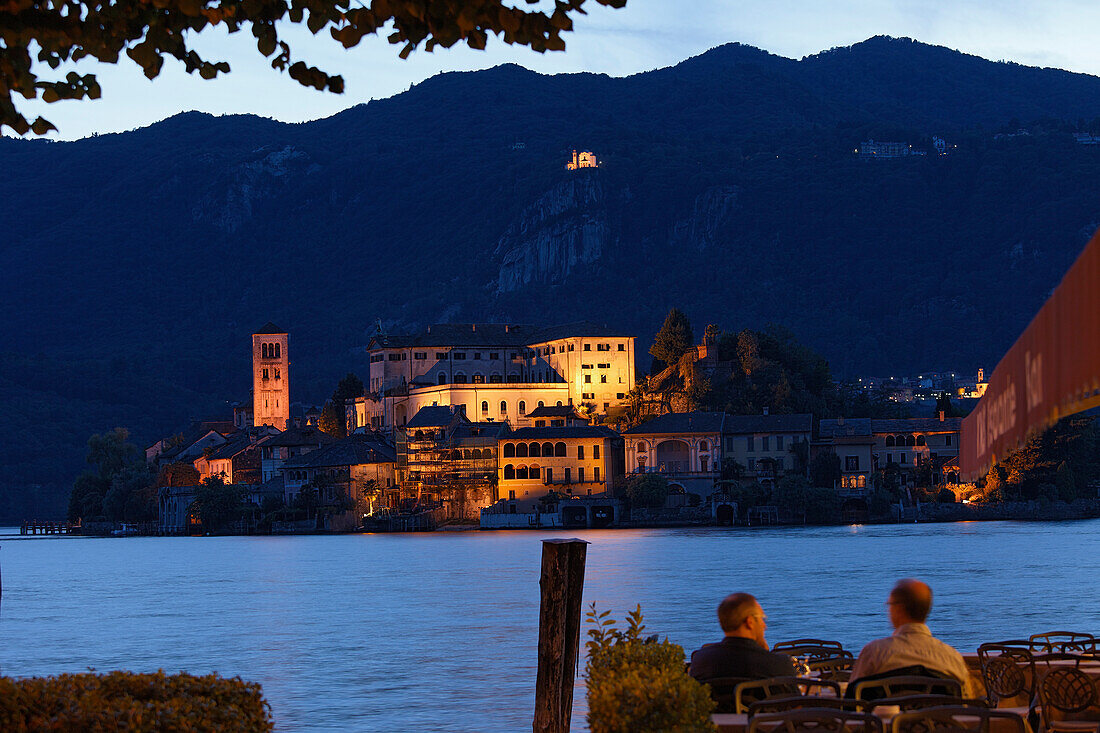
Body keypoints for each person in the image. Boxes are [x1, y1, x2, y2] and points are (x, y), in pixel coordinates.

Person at [850, 578, 972, 696]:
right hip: (940, 717)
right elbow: (966, 705)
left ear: (898, 608)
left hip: (884, 717)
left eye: (889, 604)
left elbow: (852, 702)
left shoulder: (874, 653)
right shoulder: (953, 658)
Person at [688, 592, 796, 681]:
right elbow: (793, 703)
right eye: (762, 618)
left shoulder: (701, 661)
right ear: (750, 622)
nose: (764, 625)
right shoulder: (778, 664)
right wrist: (765, 653)